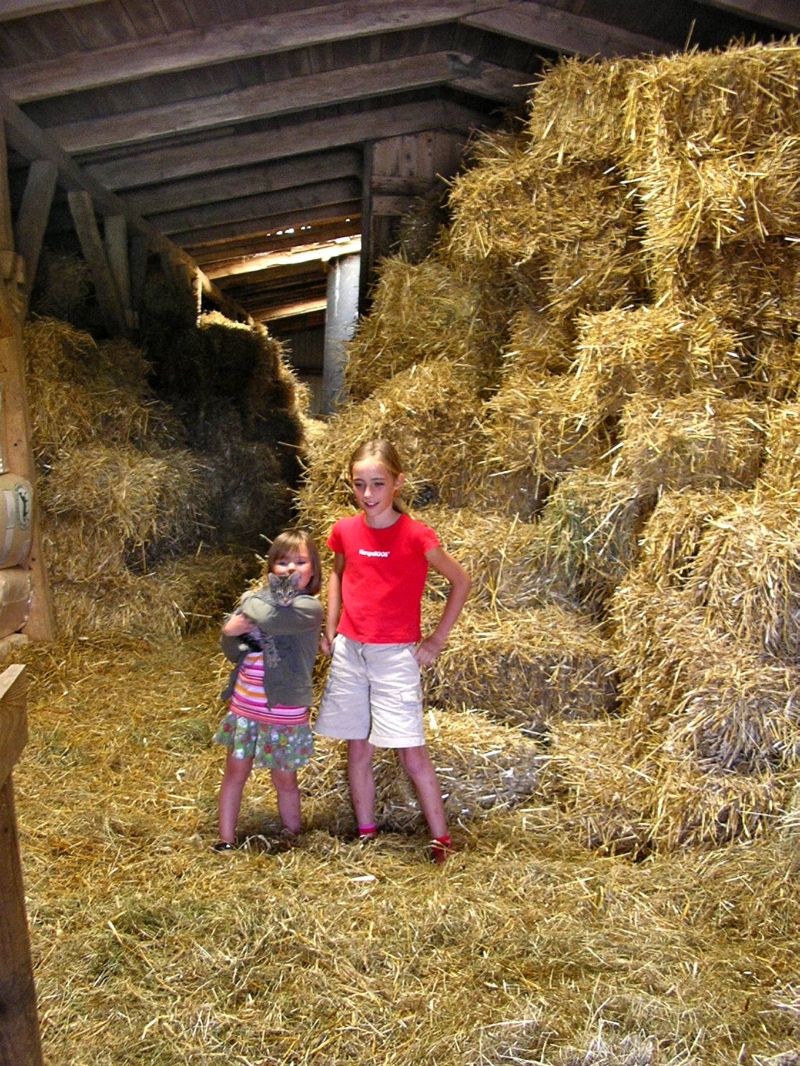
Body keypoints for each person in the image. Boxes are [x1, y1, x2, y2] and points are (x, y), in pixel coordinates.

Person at [316, 439, 471, 863]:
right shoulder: (344, 530)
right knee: (357, 747)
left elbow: (461, 581)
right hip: (351, 650)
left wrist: (436, 640)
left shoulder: (417, 535)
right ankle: (367, 833)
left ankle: (441, 837)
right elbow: (336, 575)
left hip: (395, 655)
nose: (368, 495)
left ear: (398, 483)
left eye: (378, 484)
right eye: (359, 484)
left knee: (411, 751)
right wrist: (330, 627)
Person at [213, 528, 323, 852]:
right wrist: (229, 633)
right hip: (246, 704)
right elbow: (233, 649)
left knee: (284, 779)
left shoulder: (308, 609)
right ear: (272, 568)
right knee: (235, 772)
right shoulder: (261, 603)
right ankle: (225, 839)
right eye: (282, 562)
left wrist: (247, 600)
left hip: (284, 710)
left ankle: (292, 835)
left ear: (313, 570)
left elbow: (272, 621)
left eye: (300, 562)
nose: (290, 569)